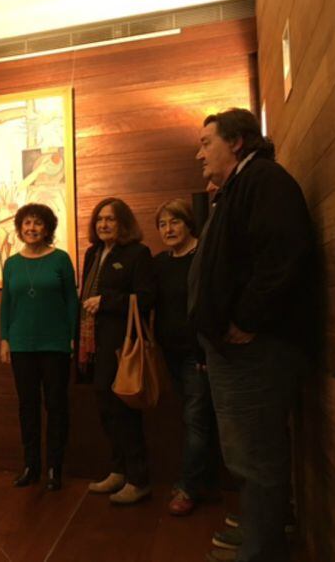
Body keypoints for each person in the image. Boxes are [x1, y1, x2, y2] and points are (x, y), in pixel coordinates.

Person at [189, 108, 315, 562]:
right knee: (247, 454)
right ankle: (260, 533)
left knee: (255, 457)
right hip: (238, 351)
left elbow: (282, 256)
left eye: (207, 142)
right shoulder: (240, 187)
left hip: (256, 350)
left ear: (237, 142)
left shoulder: (263, 180)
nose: (199, 152)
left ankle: (262, 551)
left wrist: (247, 320)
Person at [80, 197, 155, 504]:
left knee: (124, 410)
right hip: (93, 344)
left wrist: (106, 302)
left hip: (122, 345)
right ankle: (118, 471)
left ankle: (138, 479)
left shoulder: (138, 253)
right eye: (99, 220)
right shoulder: (92, 253)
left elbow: (147, 298)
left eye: (110, 219)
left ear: (123, 222)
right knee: (105, 407)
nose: (104, 225)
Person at [0, 203, 78, 491]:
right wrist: (4, 339)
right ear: (20, 228)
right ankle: (31, 465)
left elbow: (72, 301)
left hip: (55, 344)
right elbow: (6, 304)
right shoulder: (12, 263)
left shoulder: (60, 259)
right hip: (21, 345)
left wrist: (73, 337)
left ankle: (55, 468)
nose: (31, 228)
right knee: (27, 407)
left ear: (47, 228)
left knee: (56, 407)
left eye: (38, 223)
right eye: (26, 223)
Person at [153, 199, 218, 516]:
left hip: (198, 354)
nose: (168, 229)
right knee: (193, 418)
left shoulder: (203, 257)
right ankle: (199, 480)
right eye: (163, 224)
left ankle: (189, 488)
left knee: (196, 421)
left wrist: (207, 350)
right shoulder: (160, 262)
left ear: (188, 223)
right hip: (170, 354)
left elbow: (213, 304)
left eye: (174, 222)